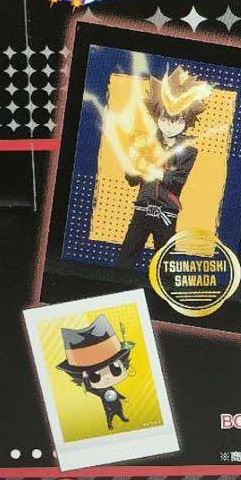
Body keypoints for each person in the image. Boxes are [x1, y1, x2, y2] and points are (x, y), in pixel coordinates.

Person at [116, 65, 212, 269]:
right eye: (165, 118)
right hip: (142, 210)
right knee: (125, 260)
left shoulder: (188, 151)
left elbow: (175, 181)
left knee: (165, 266)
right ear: (156, 115)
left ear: (186, 121)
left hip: (166, 215)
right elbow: (132, 180)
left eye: (177, 120)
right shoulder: (146, 142)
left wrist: (150, 167)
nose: (169, 125)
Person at [55, 315, 134, 430]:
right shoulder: (99, 390)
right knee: (110, 415)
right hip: (108, 407)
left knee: (119, 411)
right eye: (95, 376)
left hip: (117, 404)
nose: (107, 378)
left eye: (115, 369)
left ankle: (122, 417)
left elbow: (116, 392)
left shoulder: (109, 387)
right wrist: (86, 378)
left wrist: (123, 397)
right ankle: (110, 424)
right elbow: (89, 388)